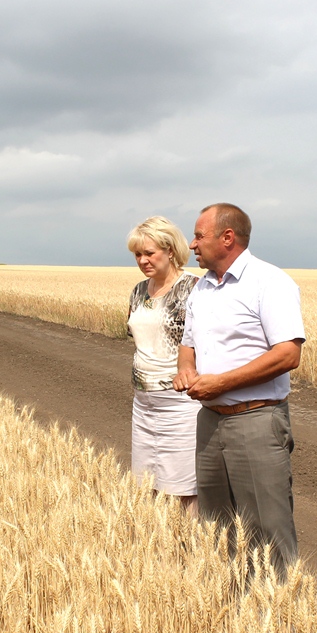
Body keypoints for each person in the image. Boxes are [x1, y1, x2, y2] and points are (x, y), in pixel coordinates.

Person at [172, 203, 305, 578]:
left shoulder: (269, 282)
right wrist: (186, 370)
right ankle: (231, 606)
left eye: (199, 236)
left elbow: (288, 354)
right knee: (217, 527)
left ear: (227, 237)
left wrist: (221, 382)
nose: (192, 244)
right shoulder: (202, 288)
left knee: (268, 529)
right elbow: (188, 344)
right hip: (210, 421)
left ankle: (280, 609)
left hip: (256, 421)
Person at [127, 216, 202, 516]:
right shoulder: (138, 291)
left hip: (181, 403)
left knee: (183, 484)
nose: (143, 260)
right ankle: (158, 541)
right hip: (143, 402)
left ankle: (192, 541)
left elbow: (205, 343)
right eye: (137, 254)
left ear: (170, 251)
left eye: (149, 253)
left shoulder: (194, 288)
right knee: (147, 484)